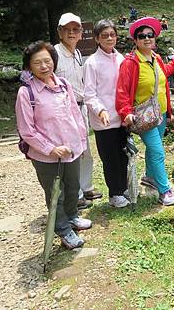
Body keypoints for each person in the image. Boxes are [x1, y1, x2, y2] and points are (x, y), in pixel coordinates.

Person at [16, 41, 91, 249]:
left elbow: (75, 115)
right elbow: (27, 130)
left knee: (73, 186)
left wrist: (81, 141)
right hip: (46, 156)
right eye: (37, 62)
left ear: (54, 61)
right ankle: (63, 230)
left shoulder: (64, 84)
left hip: (72, 150)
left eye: (47, 61)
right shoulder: (27, 93)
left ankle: (73, 216)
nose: (43, 66)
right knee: (55, 193)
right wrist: (51, 148)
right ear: (29, 66)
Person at [115, 17, 174, 206]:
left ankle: (149, 176)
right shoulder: (130, 63)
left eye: (150, 35)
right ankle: (165, 190)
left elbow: (166, 71)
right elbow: (122, 91)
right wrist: (125, 113)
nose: (147, 39)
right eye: (142, 36)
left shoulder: (155, 59)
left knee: (153, 149)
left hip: (161, 112)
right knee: (157, 151)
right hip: (143, 115)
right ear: (136, 40)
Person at [54, 13, 102, 210]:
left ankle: (86, 187)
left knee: (85, 151)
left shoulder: (78, 53)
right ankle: (77, 195)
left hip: (81, 108)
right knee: (72, 152)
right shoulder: (54, 54)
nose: (72, 33)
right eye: (67, 29)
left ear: (81, 33)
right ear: (60, 32)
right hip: (65, 112)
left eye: (76, 29)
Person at [83, 20, 130, 208]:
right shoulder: (92, 63)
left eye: (112, 34)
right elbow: (89, 93)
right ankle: (115, 193)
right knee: (110, 158)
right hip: (104, 120)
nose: (109, 38)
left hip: (122, 118)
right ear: (96, 39)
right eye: (104, 35)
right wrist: (100, 110)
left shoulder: (122, 59)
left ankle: (123, 187)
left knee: (123, 155)